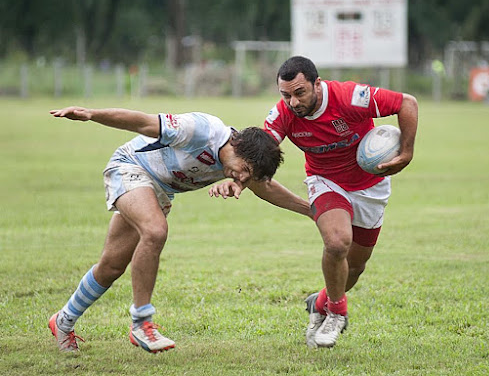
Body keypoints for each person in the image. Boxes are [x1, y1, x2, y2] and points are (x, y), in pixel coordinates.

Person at [47, 106, 311, 353]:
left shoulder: (239, 162)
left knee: (111, 266)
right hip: (130, 166)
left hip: (157, 190)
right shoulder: (199, 130)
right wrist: (92, 114)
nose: (241, 179)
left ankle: (63, 320)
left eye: (247, 177)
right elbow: (141, 121)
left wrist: (312, 211)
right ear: (235, 145)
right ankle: (142, 323)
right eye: (244, 171)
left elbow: (266, 187)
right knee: (155, 231)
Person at [209, 56, 418, 348]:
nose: (293, 102)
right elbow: (262, 152)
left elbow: (407, 103)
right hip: (325, 181)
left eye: (299, 93)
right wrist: (239, 178)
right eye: (286, 95)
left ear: (317, 84)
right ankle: (336, 312)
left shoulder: (349, 97)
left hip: (370, 186)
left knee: (355, 267)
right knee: (337, 242)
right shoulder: (283, 113)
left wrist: (406, 153)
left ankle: (319, 302)